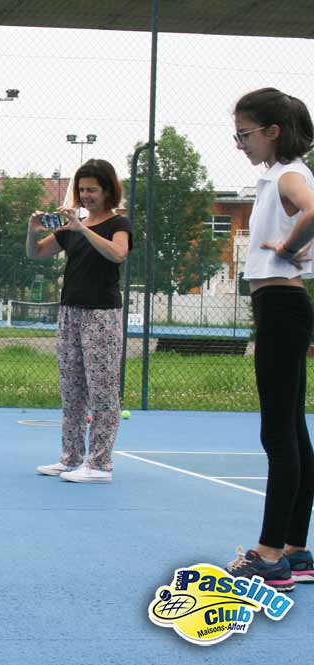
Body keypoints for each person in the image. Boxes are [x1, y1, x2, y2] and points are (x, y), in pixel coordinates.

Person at [223, 88, 314, 591]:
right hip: (282, 307)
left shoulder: (288, 176)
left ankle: (270, 555)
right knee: (293, 432)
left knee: (278, 436)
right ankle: (296, 551)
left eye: (245, 134)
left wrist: (289, 246)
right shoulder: (279, 176)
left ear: (273, 131)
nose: (239, 143)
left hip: (281, 306)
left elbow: (313, 211)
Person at [26, 159, 131, 484]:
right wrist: (32, 231)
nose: (85, 196)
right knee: (71, 390)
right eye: (82, 190)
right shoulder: (70, 227)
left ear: (107, 190)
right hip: (70, 312)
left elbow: (118, 254)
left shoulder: (119, 223)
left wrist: (82, 228)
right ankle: (70, 458)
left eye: (92, 190)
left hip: (102, 315)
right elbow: (36, 253)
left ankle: (100, 464)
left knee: (102, 391)